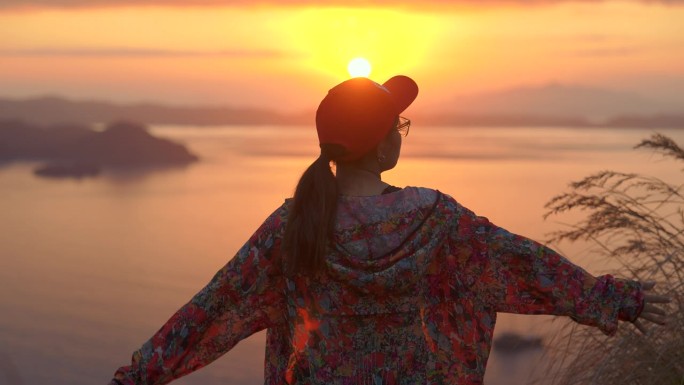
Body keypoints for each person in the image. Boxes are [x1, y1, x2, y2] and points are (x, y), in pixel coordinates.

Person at [109, 75, 669, 385]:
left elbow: (213, 309)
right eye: (398, 123)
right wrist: (615, 299)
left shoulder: (292, 227)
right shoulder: (439, 220)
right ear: (383, 143)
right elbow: (524, 265)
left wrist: (138, 377)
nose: (402, 131)